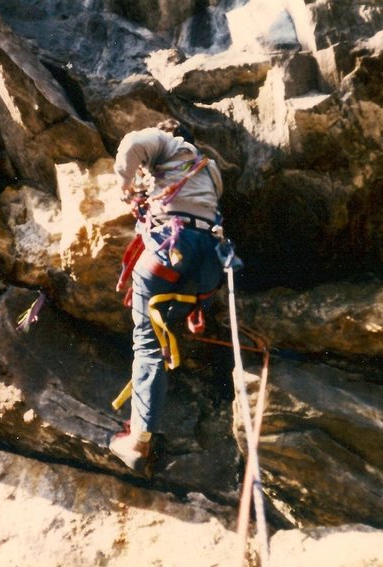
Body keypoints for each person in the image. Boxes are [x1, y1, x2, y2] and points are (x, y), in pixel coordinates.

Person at [109, 119, 225, 474]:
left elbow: (132, 143)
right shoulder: (211, 170)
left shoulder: (168, 144)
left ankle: (139, 440)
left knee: (147, 345)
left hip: (168, 250)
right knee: (162, 331)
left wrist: (126, 188)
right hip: (207, 262)